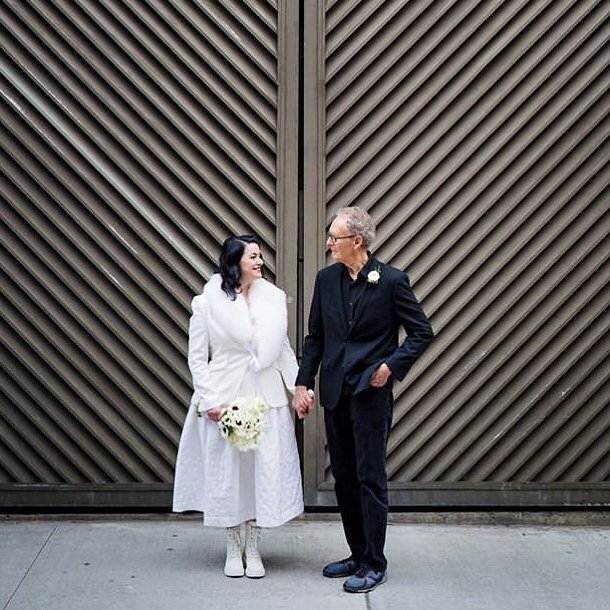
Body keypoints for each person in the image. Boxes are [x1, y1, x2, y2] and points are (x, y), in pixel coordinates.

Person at [293, 207, 433, 594]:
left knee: (370, 478)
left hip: (370, 394)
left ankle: (375, 562)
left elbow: (422, 332)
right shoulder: (325, 281)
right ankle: (357, 554)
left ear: (357, 241)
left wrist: (391, 365)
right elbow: (316, 337)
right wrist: (303, 384)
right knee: (344, 478)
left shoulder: (391, 281)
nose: (328, 244)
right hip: (336, 391)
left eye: (334, 237)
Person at [173, 235, 304, 578]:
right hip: (225, 391)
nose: (260, 262)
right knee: (228, 472)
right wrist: (211, 400)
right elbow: (197, 359)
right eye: (253, 257)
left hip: (266, 395)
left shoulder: (274, 301)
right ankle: (233, 545)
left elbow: (284, 351)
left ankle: (255, 546)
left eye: (261, 256)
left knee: (263, 470)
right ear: (235, 262)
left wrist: (298, 388)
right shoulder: (206, 304)